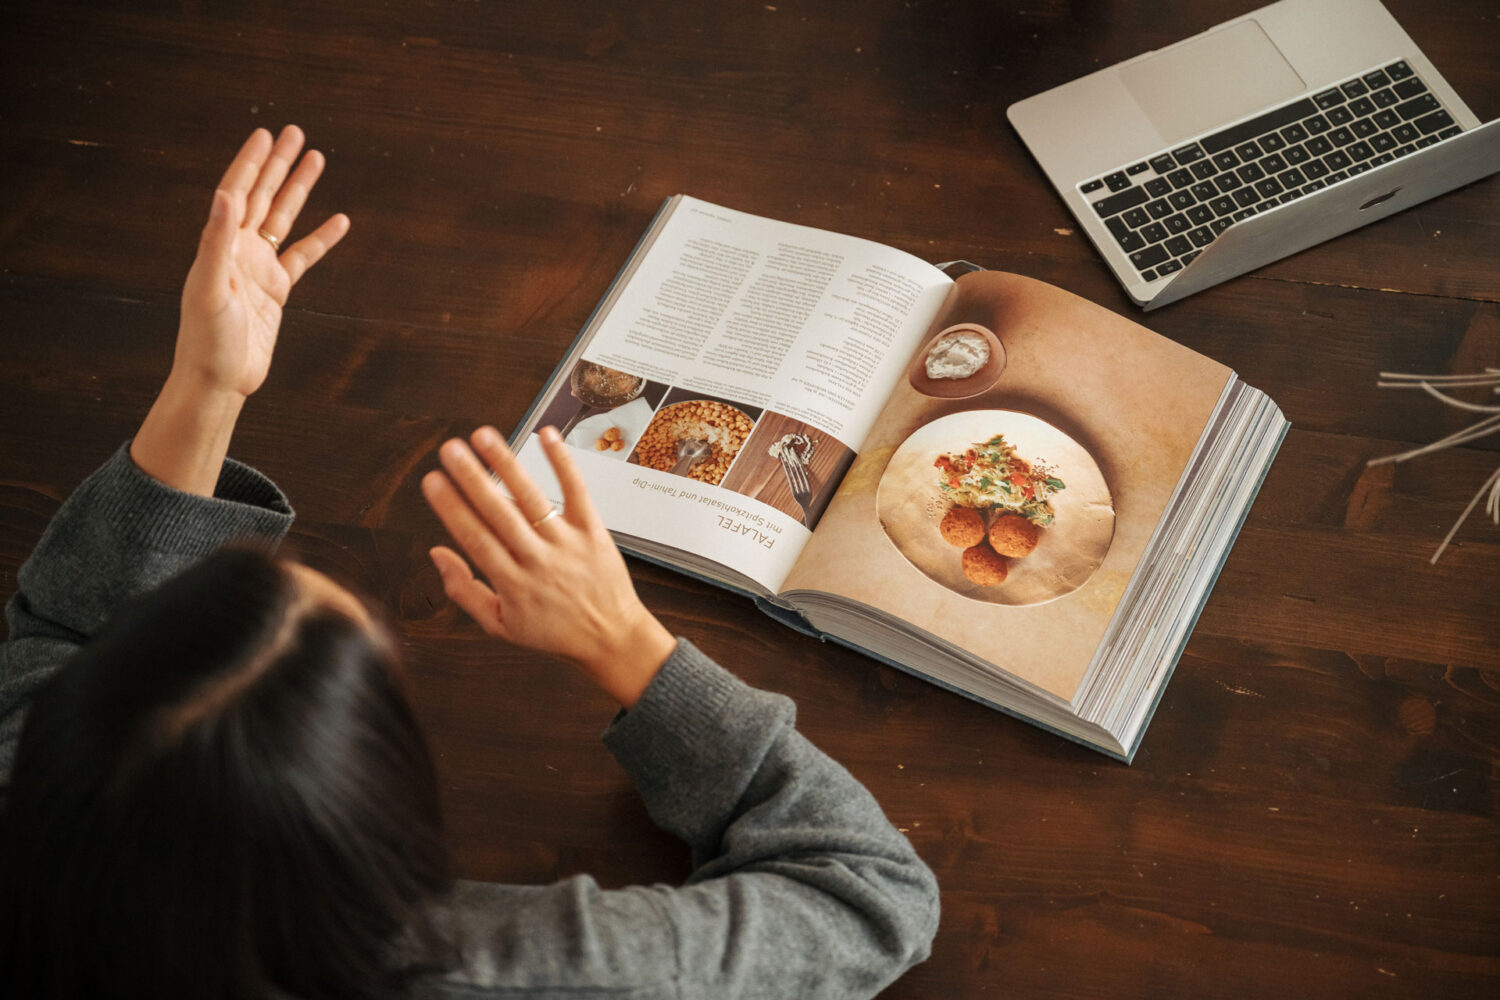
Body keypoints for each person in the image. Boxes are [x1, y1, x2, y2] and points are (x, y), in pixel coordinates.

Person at [0, 126, 939, 999]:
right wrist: (628, 643)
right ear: (377, 810)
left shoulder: (32, 802)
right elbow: (870, 892)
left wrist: (207, 383)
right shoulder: (515, 970)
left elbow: (58, 635)